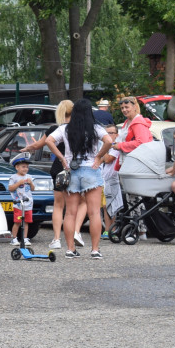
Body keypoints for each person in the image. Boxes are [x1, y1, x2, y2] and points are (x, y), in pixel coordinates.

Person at [46, 98, 114, 259]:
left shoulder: (66, 128)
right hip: (91, 170)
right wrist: (99, 157)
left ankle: (70, 249)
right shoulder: (96, 128)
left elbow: (49, 140)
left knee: (70, 213)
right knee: (94, 213)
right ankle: (95, 250)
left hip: (72, 171)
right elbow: (109, 141)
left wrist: (62, 159)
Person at [23, 100, 79, 251]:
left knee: (58, 206)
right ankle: (76, 233)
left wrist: (26, 148)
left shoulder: (55, 129)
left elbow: (38, 145)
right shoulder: (79, 129)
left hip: (59, 168)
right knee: (74, 206)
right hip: (76, 168)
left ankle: (56, 238)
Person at [113, 95, 153, 239]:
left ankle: (139, 230)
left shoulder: (137, 123)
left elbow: (141, 142)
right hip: (127, 164)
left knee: (134, 198)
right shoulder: (127, 123)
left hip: (135, 165)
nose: (124, 110)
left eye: (127, 107)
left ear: (135, 106)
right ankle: (138, 230)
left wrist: (121, 146)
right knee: (131, 198)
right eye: (122, 108)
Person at [99, 123, 123, 239]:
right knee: (104, 206)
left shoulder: (115, 146)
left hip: (112, 179)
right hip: (103, 179)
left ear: (116, 135)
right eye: (106, 133)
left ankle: (110, 230)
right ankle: (107, 229)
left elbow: (108, 159)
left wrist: (101, 155)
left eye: (111, 133)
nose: (108, 135)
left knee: (111, 205)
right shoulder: (106, 146)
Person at [8, 154, 34, 248]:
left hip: (28, 203)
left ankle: (25, 238)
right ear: (17, 167)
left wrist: (31, 183)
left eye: (27, 167)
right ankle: (14, 238)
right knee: (18, 221)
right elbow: (10, 188)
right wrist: (18, 183)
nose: (25, 169)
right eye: (23, 167)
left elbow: (33, 189)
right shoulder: (14, 177)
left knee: (26, 222)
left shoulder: (29, 177)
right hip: (19, 203)